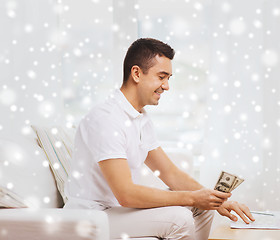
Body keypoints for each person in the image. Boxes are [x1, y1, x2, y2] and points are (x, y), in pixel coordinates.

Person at [64, 38, 255, 239]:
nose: (166, 86)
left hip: (114, 211)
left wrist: (216, 201)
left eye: (169, 78)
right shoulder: (106, 119)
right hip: (92, 216)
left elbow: (170, 173)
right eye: (161, 77)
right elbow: (126, 194)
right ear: (137, 73)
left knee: (203, 209)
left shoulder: (140, 118)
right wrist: (192, 198)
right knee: (179, 217)